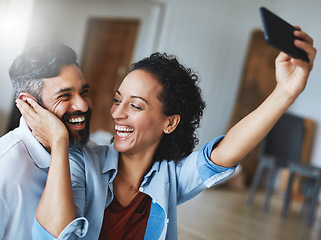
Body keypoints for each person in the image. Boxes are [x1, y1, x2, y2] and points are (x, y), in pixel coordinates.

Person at [17, 28, 316, 239]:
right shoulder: (82, 162)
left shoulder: (170, 179)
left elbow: (226, 152)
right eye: (118, 100)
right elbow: (52, 236)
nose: (117, 113)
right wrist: (59, 143)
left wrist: (286, 92)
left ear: (169, 123)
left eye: (135, 105)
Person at [0, 41, 107, 239]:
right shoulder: (4, 166)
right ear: (28, 104)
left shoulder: (90, 154)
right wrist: (58, 139)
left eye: (84, 92)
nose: (83, 105)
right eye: (65, 96)